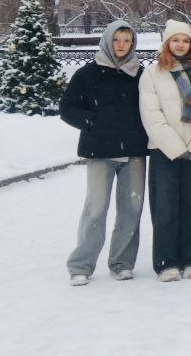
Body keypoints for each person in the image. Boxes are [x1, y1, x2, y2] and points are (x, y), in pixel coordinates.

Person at [60, 20, 147, 286]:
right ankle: (81, 264)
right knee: (96, 209)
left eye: (127, 41)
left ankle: (121, 262)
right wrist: (93, 122)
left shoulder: (140, 74)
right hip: (100, 151)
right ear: (108, 41)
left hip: (134, 152)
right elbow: (68, 108)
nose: (121, 45)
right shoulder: (89, 73)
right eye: (117, 40)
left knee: (131, 209)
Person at [138, 20, 191, 282]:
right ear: (167, 43)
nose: (181, 45)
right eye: (175, 40)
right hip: (165, 151)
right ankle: (167, 261)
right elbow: (151, 115)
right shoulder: (152, 74)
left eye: (185, 40)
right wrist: (175, 147)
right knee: (165, 207)